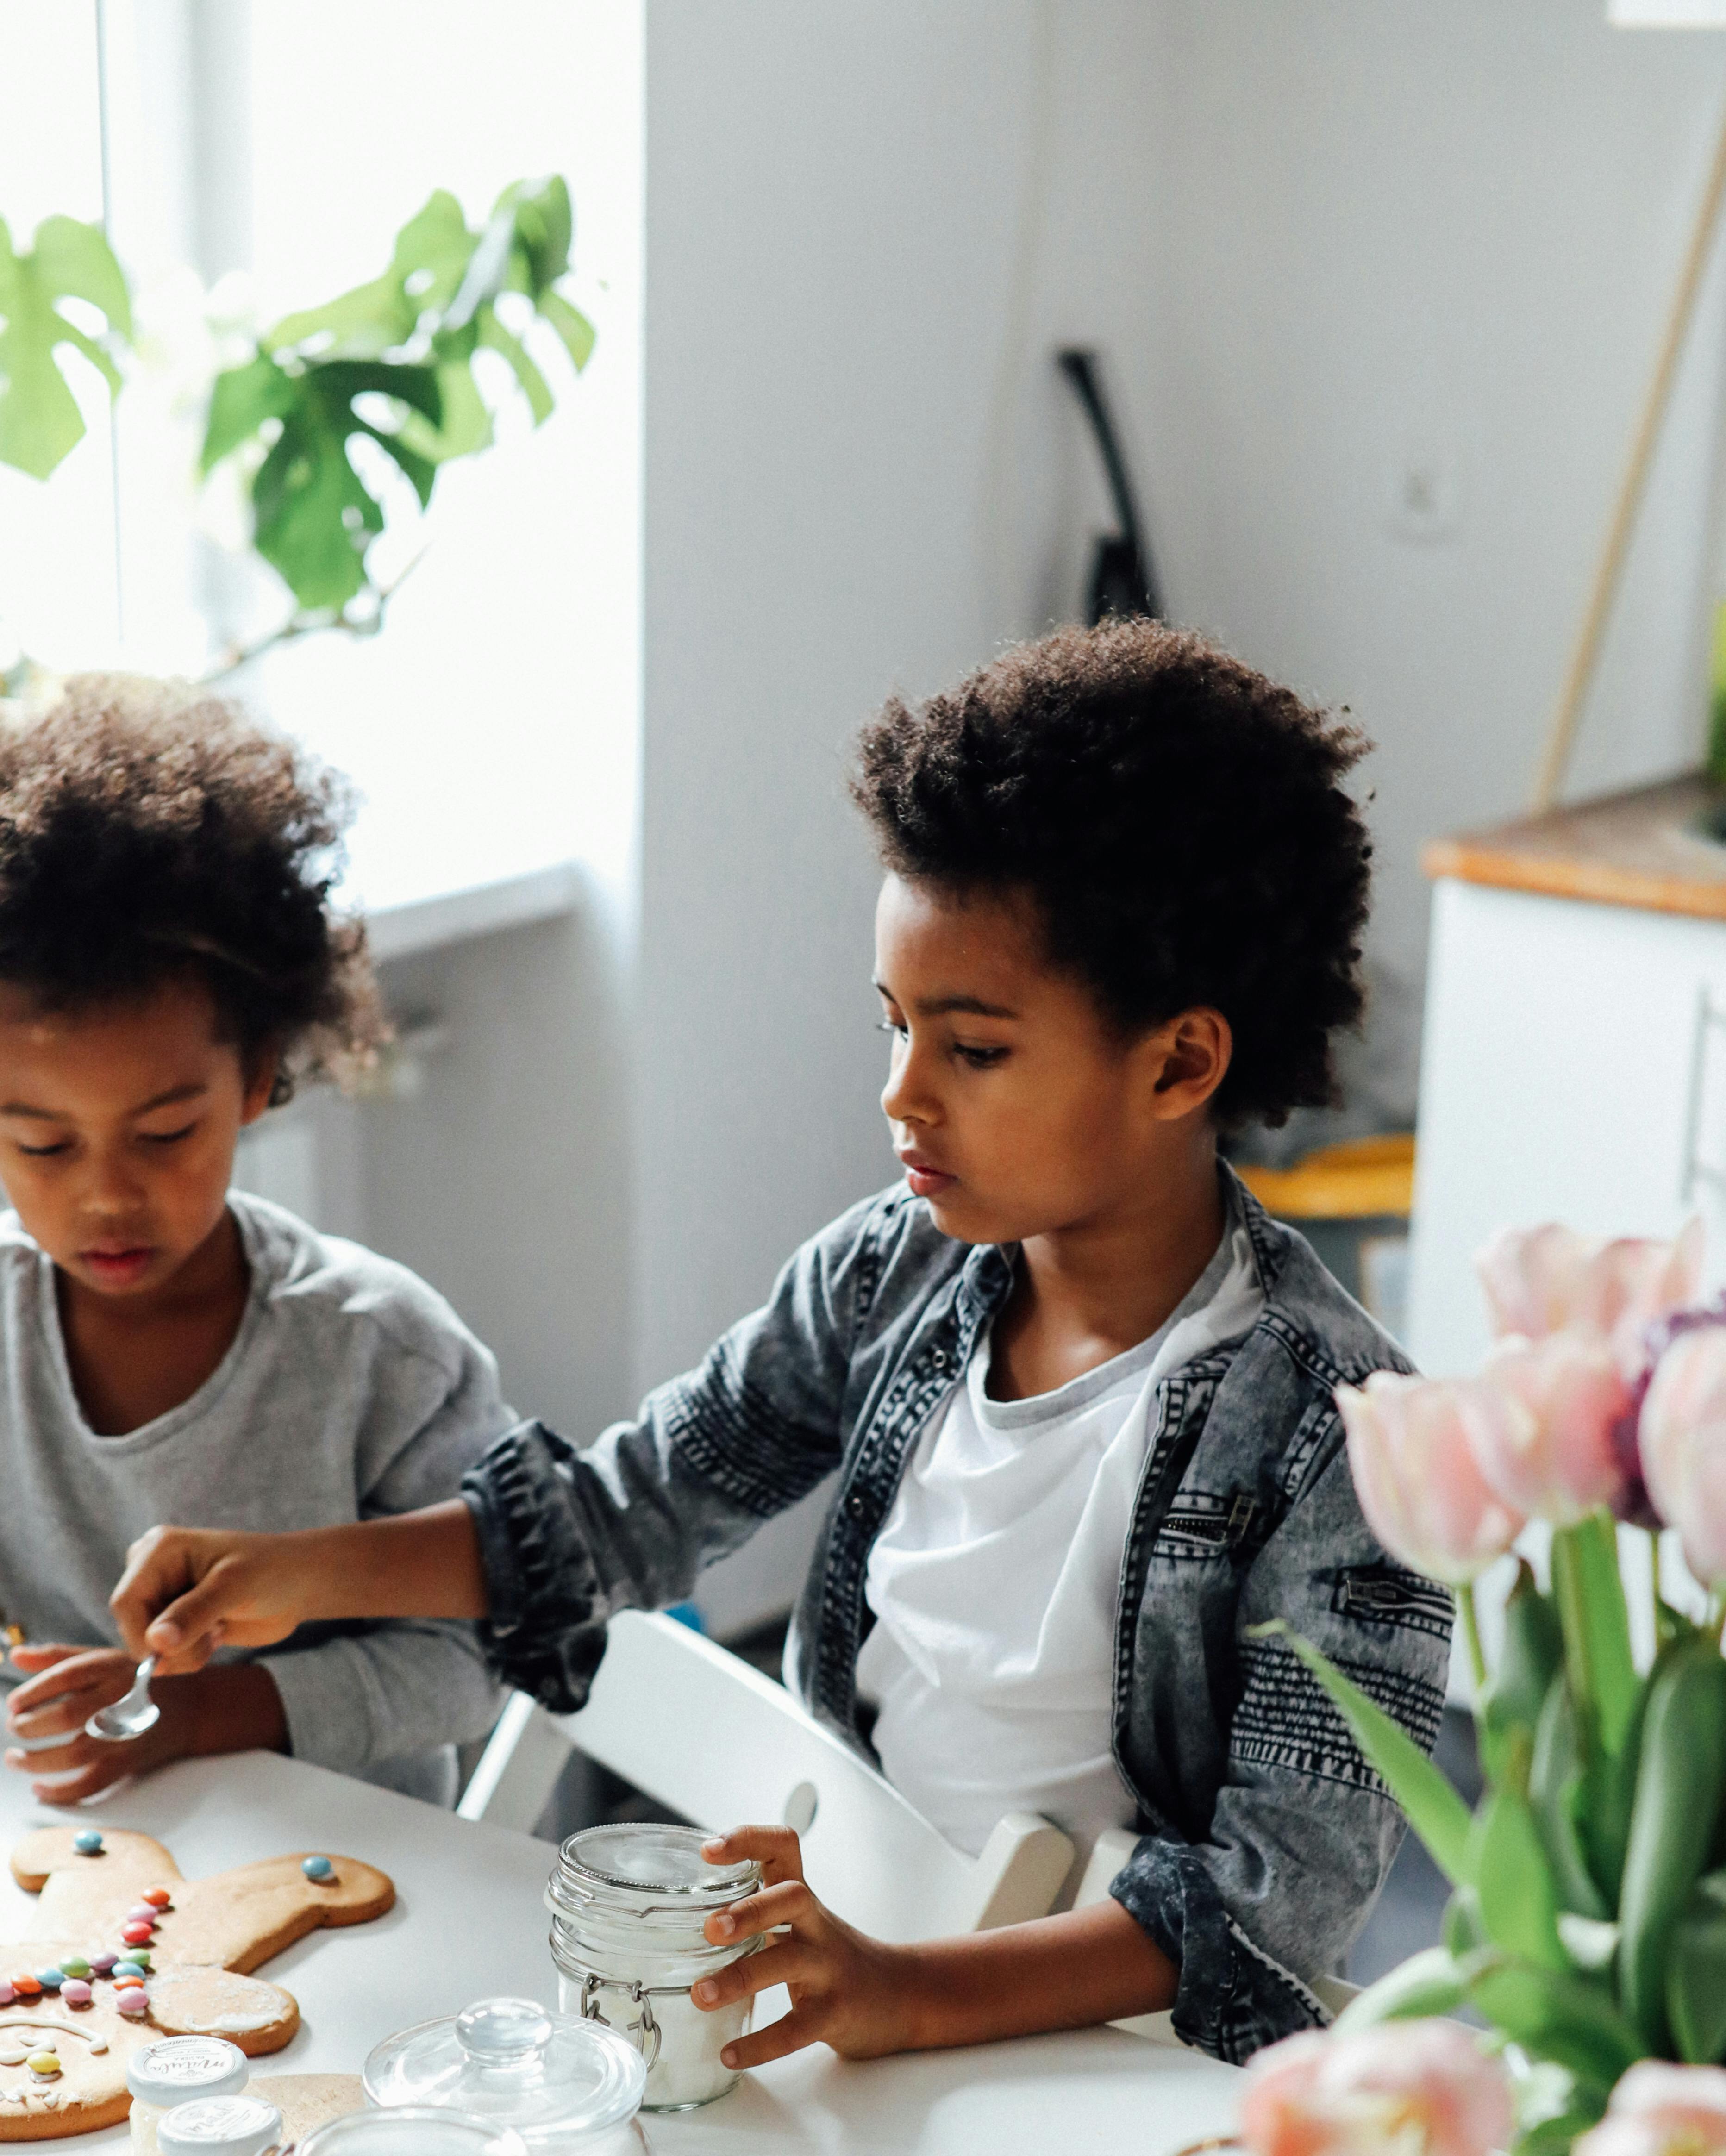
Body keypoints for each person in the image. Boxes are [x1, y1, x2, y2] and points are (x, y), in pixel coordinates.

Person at [108, 626, 1452, 2066]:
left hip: (1111, 2059)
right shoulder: (897, 1268)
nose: (901, 1098)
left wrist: (911, 1992)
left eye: (974, 1050)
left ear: (1182, 1062)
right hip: (852, 1967)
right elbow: (631, 1510)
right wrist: (303, 1573)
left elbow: (1270, 1912)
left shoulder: (1346, 1438)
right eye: (894, 1028)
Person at [0, 676, 512, 1846]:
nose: (105, 1193)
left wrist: (212, 1712)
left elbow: (482, 1654)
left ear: (256, 1078)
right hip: (45, 1888)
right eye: (43, 1142)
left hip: (346, 1895)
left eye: (164, 1133)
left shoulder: (378, 1353)